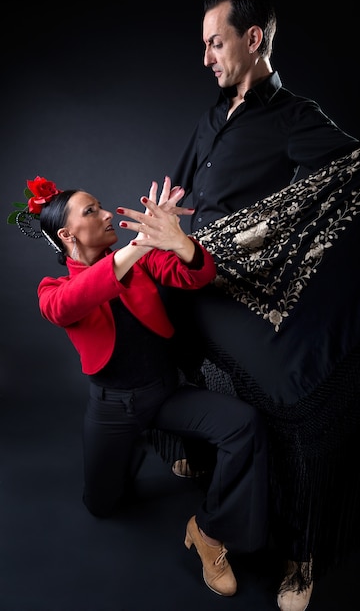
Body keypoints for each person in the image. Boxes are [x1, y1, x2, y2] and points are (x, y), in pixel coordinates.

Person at [163, 0, 360, 610]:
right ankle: (193, 448)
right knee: (147, 321)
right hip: (186, 269)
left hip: (238, 280)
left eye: (216, 43)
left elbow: (356, 178)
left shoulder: (294, 115)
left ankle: (300, 551)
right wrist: (159, 224)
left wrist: (276, 238)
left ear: (253, 39)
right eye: (204, 46)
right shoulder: (211, 116)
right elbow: (178, 189)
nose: (207, 58)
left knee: (290, 390)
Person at [7, 174, 270, 598]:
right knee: (103, 506)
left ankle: (209, 529)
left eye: (101, 205)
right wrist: (140, 244)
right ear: (67, 234)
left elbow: (197, 276)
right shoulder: (53, 289)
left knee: (245, 425)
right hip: (114, 410)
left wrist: (177, 241)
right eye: (91, 210)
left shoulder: (144, 260)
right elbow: (68, 303)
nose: (107, 213)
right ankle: (135, 452)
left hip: (167, 393)